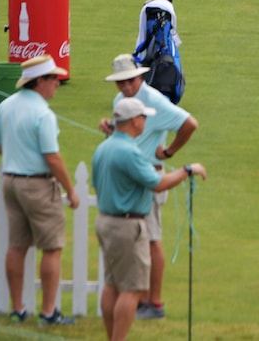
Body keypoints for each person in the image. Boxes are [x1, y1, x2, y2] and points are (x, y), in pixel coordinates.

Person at [92, 97, 205, 341]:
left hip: (105, 221)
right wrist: (187, 170)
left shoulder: (104, 147)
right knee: (131, 290)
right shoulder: (130, 152)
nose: (146, 121)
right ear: (134, 121)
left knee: (111, 285)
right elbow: (158, 184)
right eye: (143, 117)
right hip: (128, 225)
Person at [99, 54, 199, 321]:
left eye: (130, 80)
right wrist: (110, 130)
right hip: (129, 177)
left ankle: (153, 303)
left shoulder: (154, 101)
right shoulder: (119, 102)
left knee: (152, 238)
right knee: (142, 238)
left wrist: (168, 152)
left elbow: (190, 124)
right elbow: (125, 136)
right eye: (120, 82)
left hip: (149, 177)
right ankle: (141, 299)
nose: (125, 86)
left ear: (139, 76)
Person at [0, 54, 79, 326]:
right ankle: (48, 312)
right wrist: (70, 190)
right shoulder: (43, 113)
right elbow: (53, 157)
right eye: (53, 79)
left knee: (17, 245)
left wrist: (16, 153)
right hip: (37, 184)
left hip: (11, 181)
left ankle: (18, 309)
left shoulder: (8, 105)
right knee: (52, 247)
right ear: (40, 82)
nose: (57, 84)